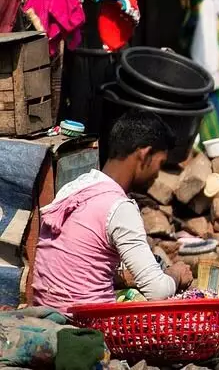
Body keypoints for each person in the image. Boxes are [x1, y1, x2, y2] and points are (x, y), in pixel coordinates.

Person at [32, 112, 193, 312]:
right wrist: (176, 274)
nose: (157, 175)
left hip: (47, 311)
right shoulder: (118, 207)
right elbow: (158, 291)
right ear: (144, 155)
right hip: (87, 327)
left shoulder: (76, 188)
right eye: (159, 165)